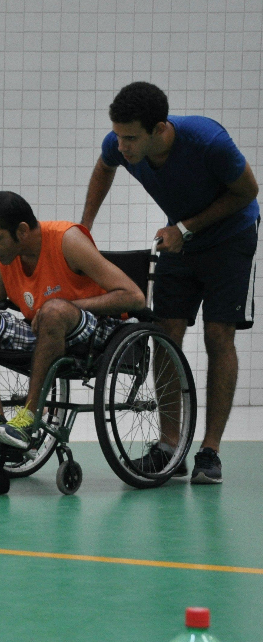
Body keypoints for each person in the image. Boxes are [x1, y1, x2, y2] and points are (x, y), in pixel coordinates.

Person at [81, 82, 259, 484]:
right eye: (118, 135)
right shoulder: (119, 143)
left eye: (130, 138)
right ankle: (170, 447)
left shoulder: (207, 141)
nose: (120, 145)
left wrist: (185, 227)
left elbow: (248, 191)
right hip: (179, 241)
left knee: (218, 335)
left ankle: (209, 452)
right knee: (163, 334)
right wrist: (85, 228)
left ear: (160, 130)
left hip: (231, 239)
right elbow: (103, 167)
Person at [0, 191, 144, 449]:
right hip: (41, 331)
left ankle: (29, 417)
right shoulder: (4, 262)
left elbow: (134, 297)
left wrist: (67, 307)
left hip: (94, 332)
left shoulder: (67, 241)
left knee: (53, 311)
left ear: (21, 231)